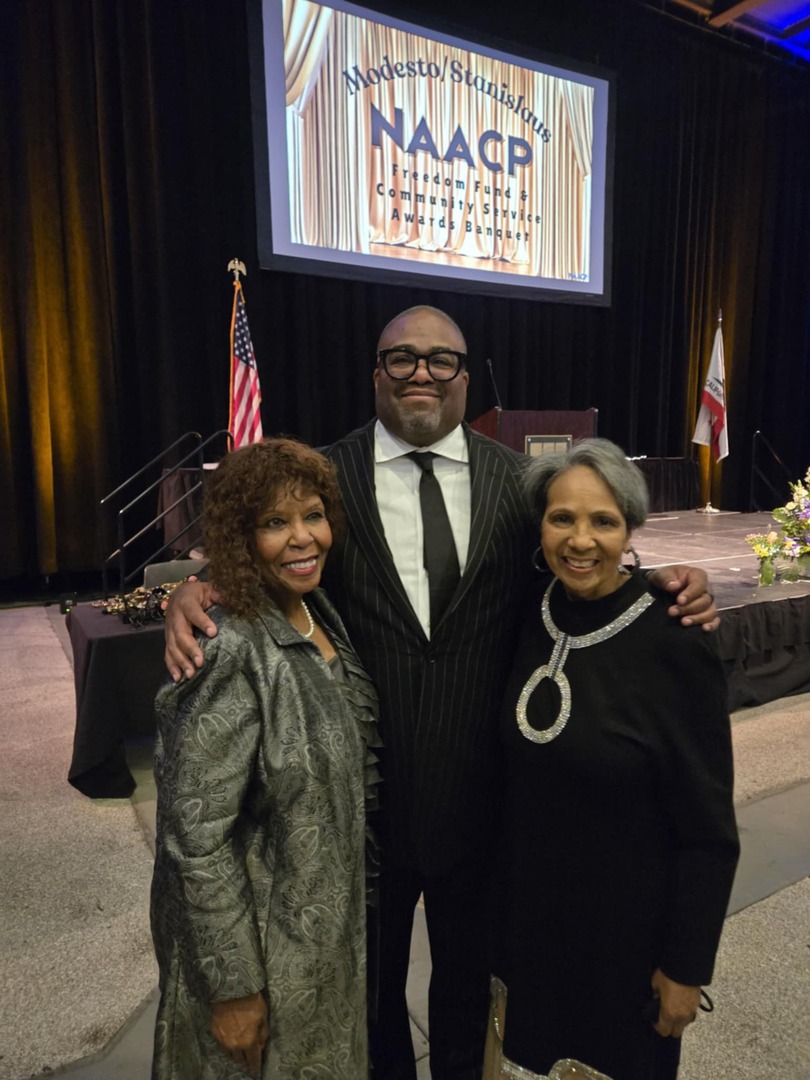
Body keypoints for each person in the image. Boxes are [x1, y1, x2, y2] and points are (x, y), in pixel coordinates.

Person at [164, 307, 719, 1080]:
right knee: (367, 1014)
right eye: (401, 359)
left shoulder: (516, 483)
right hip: (361, 825)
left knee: (472, 1008)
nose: (421, 372)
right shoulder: (326, 482)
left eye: (441, 360)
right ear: (375, 373)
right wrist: (193, 590)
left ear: (466, 375)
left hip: (486, 817)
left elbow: (576, 559)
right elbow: (269, 556)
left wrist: (656, 578)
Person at [488, 439, 739, 1080]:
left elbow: (707, 829)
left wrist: (686, 967)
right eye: (562, 518)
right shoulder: (523, 610)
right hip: (528, 934)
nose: (580, 539)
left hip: (626, 950)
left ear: (630, 530)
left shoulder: (674, 639)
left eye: (603, 521)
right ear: (539, 526)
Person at [151, 438, 380, 1080]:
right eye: (275, 523)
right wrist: (231, 987)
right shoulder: (226, 649)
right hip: (263, 962)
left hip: (321, 947)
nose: (303, 538)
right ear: (238, 535)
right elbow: (194, 839)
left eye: (312, 515)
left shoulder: (316, 608)